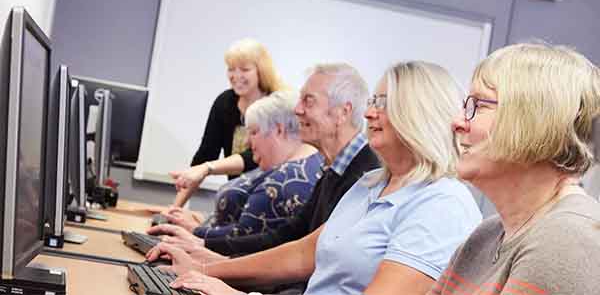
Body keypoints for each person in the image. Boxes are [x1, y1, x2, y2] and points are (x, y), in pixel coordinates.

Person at [151, 61, 483, 295]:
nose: (368, 114)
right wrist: (203, 271)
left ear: (418, 112)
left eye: (382, 103)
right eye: (372, 102)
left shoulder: (442, 204)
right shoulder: (370, 184)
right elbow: (303, 253)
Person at [149, 62, 380, 261]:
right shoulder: (334, 168)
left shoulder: (367, 176)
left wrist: (212, 260)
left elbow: (307, 259)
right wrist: (205, 247)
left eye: (308, 101)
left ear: (343, 112)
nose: (297, 110)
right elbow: (287, 235)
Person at [429, 43, 600, 295]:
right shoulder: (487, 234)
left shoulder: (567, 239)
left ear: (537, 120)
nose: (457, 122)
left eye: (478, 105)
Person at [170, 91, 323, 238]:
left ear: (279, 130)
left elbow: (240, 239)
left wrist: (195, 229)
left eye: (254, 132)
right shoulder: (311, 164)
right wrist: (204, 221)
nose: (247, 142)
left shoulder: (281, 182)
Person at [171, 38, 285, 207]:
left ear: (261, 71)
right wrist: (174, 209)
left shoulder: (275, 106)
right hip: (234, 197)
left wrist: (207, 168)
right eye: (231, 69)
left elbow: (252, 159)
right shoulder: (225, 102)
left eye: (245, 69)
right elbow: (205, 156)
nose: (236, 76)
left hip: (268, 198)